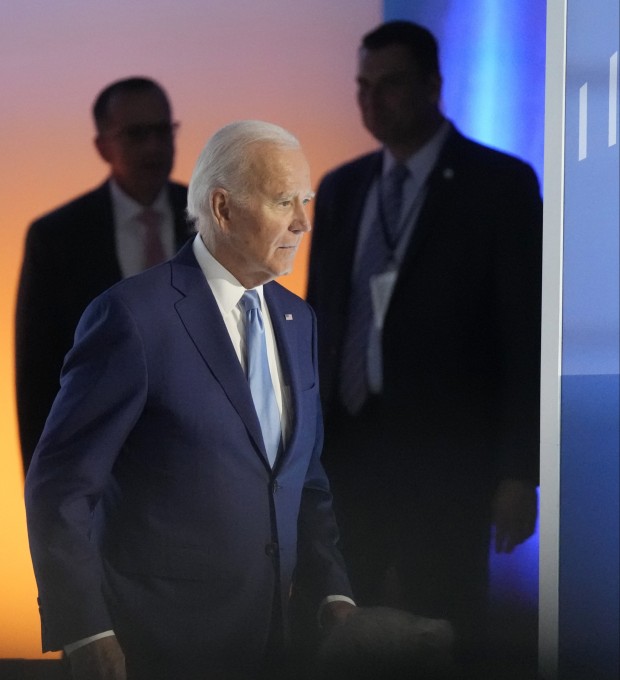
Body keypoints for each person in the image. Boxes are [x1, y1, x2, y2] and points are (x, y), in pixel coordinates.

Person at [25, 120, 355, 680]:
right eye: (283, 202)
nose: (303, 222)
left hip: (277, 640)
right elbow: (60, 487)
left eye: (306, 200)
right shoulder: (134, 316)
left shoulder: (299, 320)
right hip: (157, 642)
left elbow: (304, 479)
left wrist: (333, 593)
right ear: (222, 209)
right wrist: (86, 629)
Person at [305, 20, 541, 664]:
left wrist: (520, 471)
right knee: (334, 632)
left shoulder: (500, 184)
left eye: (390, 85)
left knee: (446, 629)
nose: (372, 101)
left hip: (449, 462)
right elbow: (321, 318)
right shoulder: (342, 187)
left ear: (434, 86)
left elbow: (523, 333)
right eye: (363, 87)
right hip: (348, 455)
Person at [15, 76, 192, 473]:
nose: (154, 146)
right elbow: (38, 379)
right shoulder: (58, 238)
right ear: (102, 146)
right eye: (136, 134)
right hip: (103, 476)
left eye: (163, 131)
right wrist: (46, 498)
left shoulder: (218, 220)